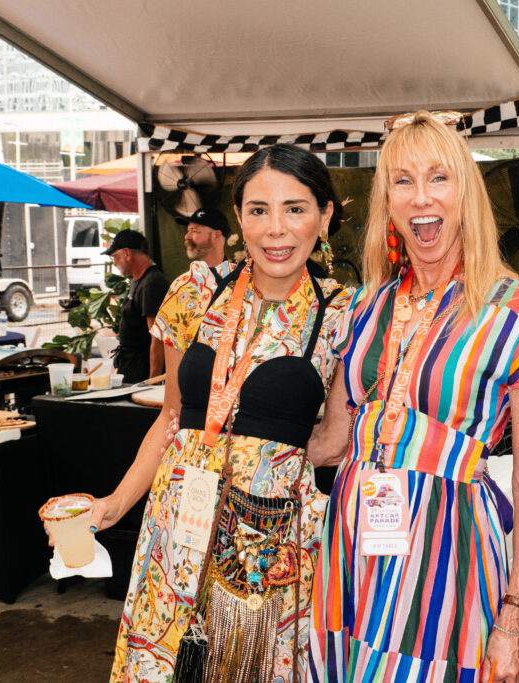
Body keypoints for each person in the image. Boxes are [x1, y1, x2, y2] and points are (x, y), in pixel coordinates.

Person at [306, 112, 519, 683]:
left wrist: (517, 614)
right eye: (402, 180)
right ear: (387, 203)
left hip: (449, 558)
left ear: (465, 192)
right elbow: (333, 441)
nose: (421, 196)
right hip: (353, 551)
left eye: (438, 178)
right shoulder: (366, 308)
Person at [82, 144, 350, 681]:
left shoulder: (345, 311)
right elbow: (171, 419)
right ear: (240, 220)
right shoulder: (195, 291)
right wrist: (115, 503)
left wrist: (267, 474)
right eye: (258, 210)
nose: (276, 229)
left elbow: (335, 440)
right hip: (177, 523)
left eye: (295, 209)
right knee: (163, 665)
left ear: (324, 217)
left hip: (268, 541)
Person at [105, 229, 170, 383]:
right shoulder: (137, 280)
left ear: (127, 253)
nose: (114, 263)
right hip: (130, 366)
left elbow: (158, 337)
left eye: (115, 256)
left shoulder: (152, 282)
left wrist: (152, 382)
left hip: (143, 370)